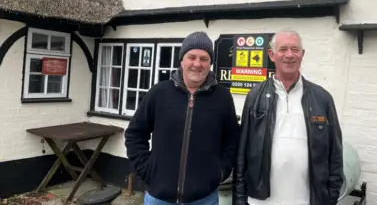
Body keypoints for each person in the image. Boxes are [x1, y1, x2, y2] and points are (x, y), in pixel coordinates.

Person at [125, 31, 240, 205]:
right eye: (191, 57)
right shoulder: (158, 93)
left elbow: (232, 139)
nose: (197, 64)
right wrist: (146, 169)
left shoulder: (222, 98)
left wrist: (220, 171)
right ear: (182, 60)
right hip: (159, 198)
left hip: (204, 198)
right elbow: (135, 134)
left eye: (204, 59)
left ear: (210, 63)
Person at [233, 30, 344, 205]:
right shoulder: (255, 95)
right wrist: (239, 199)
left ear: (302, 55)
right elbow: (242, 152)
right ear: (272, 54)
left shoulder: (323, 99)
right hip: (260, 201)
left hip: (307, 200)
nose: (289, 55)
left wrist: (330, 198)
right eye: (283, 49)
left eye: (295, 49)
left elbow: (335, 155)